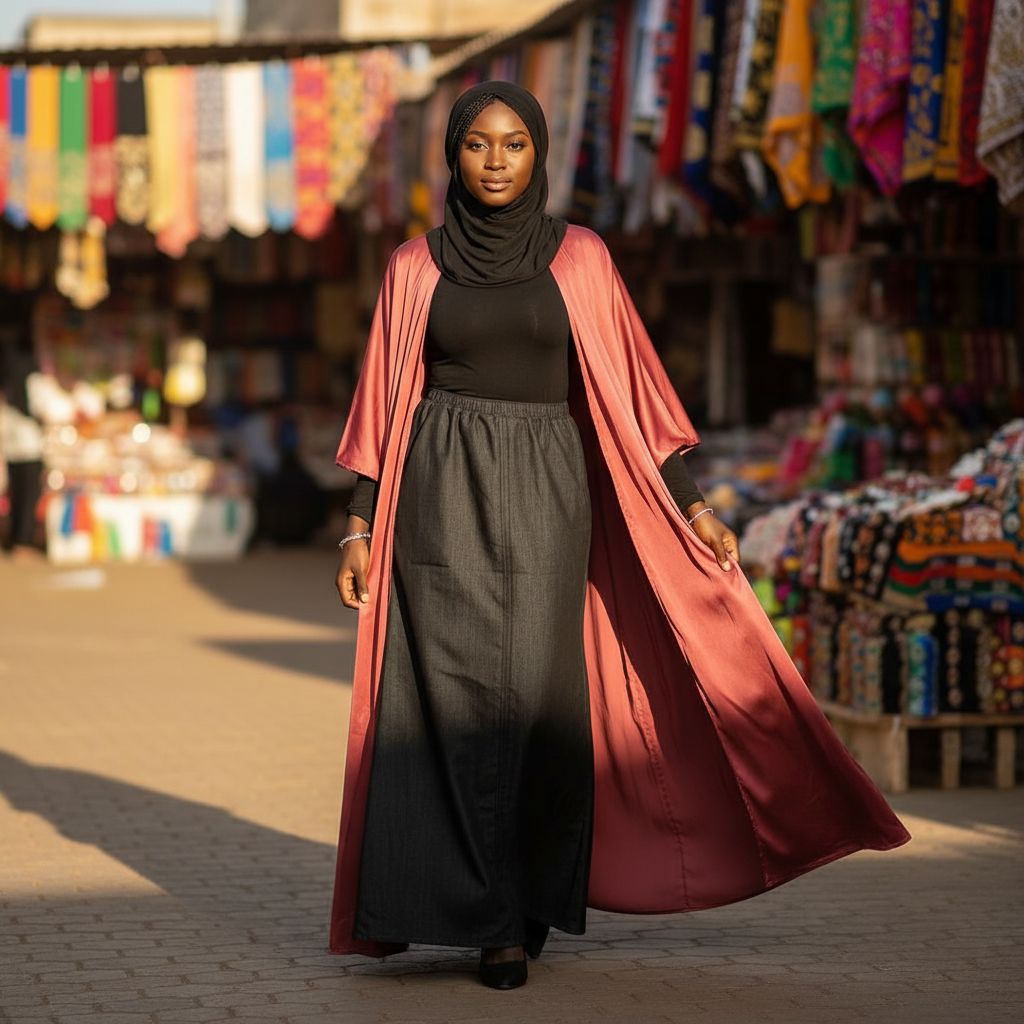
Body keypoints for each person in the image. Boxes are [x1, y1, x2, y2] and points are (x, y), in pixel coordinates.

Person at [331, 82, 911, 991]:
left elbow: (633, 393)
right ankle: (483, 919)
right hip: (440, 494)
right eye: (478, 145)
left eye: (514, 144)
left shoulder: (583, 258)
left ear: (538, 154)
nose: (494, 161)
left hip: (550, 494)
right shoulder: (414, 266)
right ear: (453, 155)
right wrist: (359, 525)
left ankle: (524, 899)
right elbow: (385, 401)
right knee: (444, 708)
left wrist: (694, 505)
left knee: (534, 699)